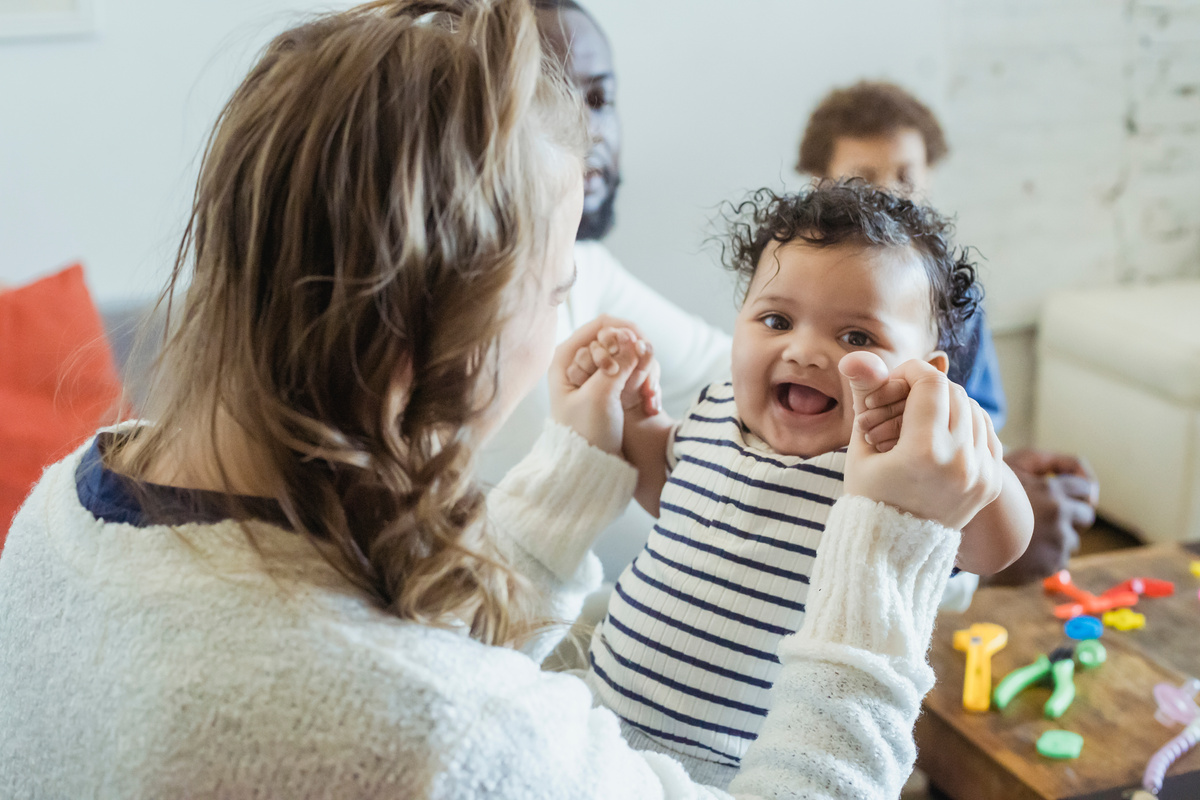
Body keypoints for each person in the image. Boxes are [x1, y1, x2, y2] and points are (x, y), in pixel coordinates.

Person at [0, 2, 1007, 798]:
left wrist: (578, 469)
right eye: (562, 273)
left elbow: (435, 645)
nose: (573, 302)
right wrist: (883, 546)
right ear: (440, 318)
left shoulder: (60, 514)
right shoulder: (443, 733)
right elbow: (446, 709)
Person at [569, 183, 1033, 787]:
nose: (806, 350)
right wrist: (630, 409)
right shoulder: (716, 412)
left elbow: (999, 546)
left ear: (924, 372)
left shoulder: (891, 483)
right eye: (776, 319)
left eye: (857, 337)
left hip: (732, 768)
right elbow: (664, 488)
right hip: (595, 712)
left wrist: (973, 461)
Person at [797, 80, 1101, 585]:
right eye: (863, 178)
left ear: (930, 177)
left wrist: (993, 465)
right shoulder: (801, 286)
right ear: (818, 183)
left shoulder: (957, 295)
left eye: (906, 176)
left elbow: (983, 409)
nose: (888, 195)